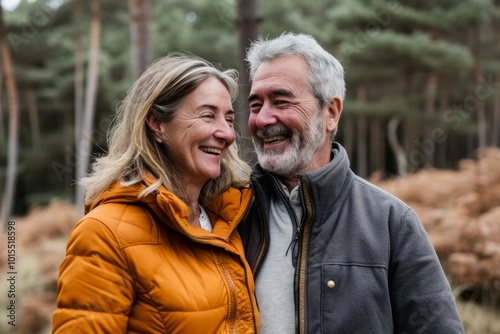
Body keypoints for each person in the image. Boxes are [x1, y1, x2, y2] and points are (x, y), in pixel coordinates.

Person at [238, 32, 464, 333]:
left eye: (281, 101)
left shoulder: (392, 222)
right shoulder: (232, 214)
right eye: (255, 106)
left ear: (330, 113)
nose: (263, 119)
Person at [52, 53, 260, 333]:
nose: (226, 133)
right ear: (156, 123)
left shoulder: (230, 218)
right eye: (208, 115)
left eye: (228, 119)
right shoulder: (103, 233)